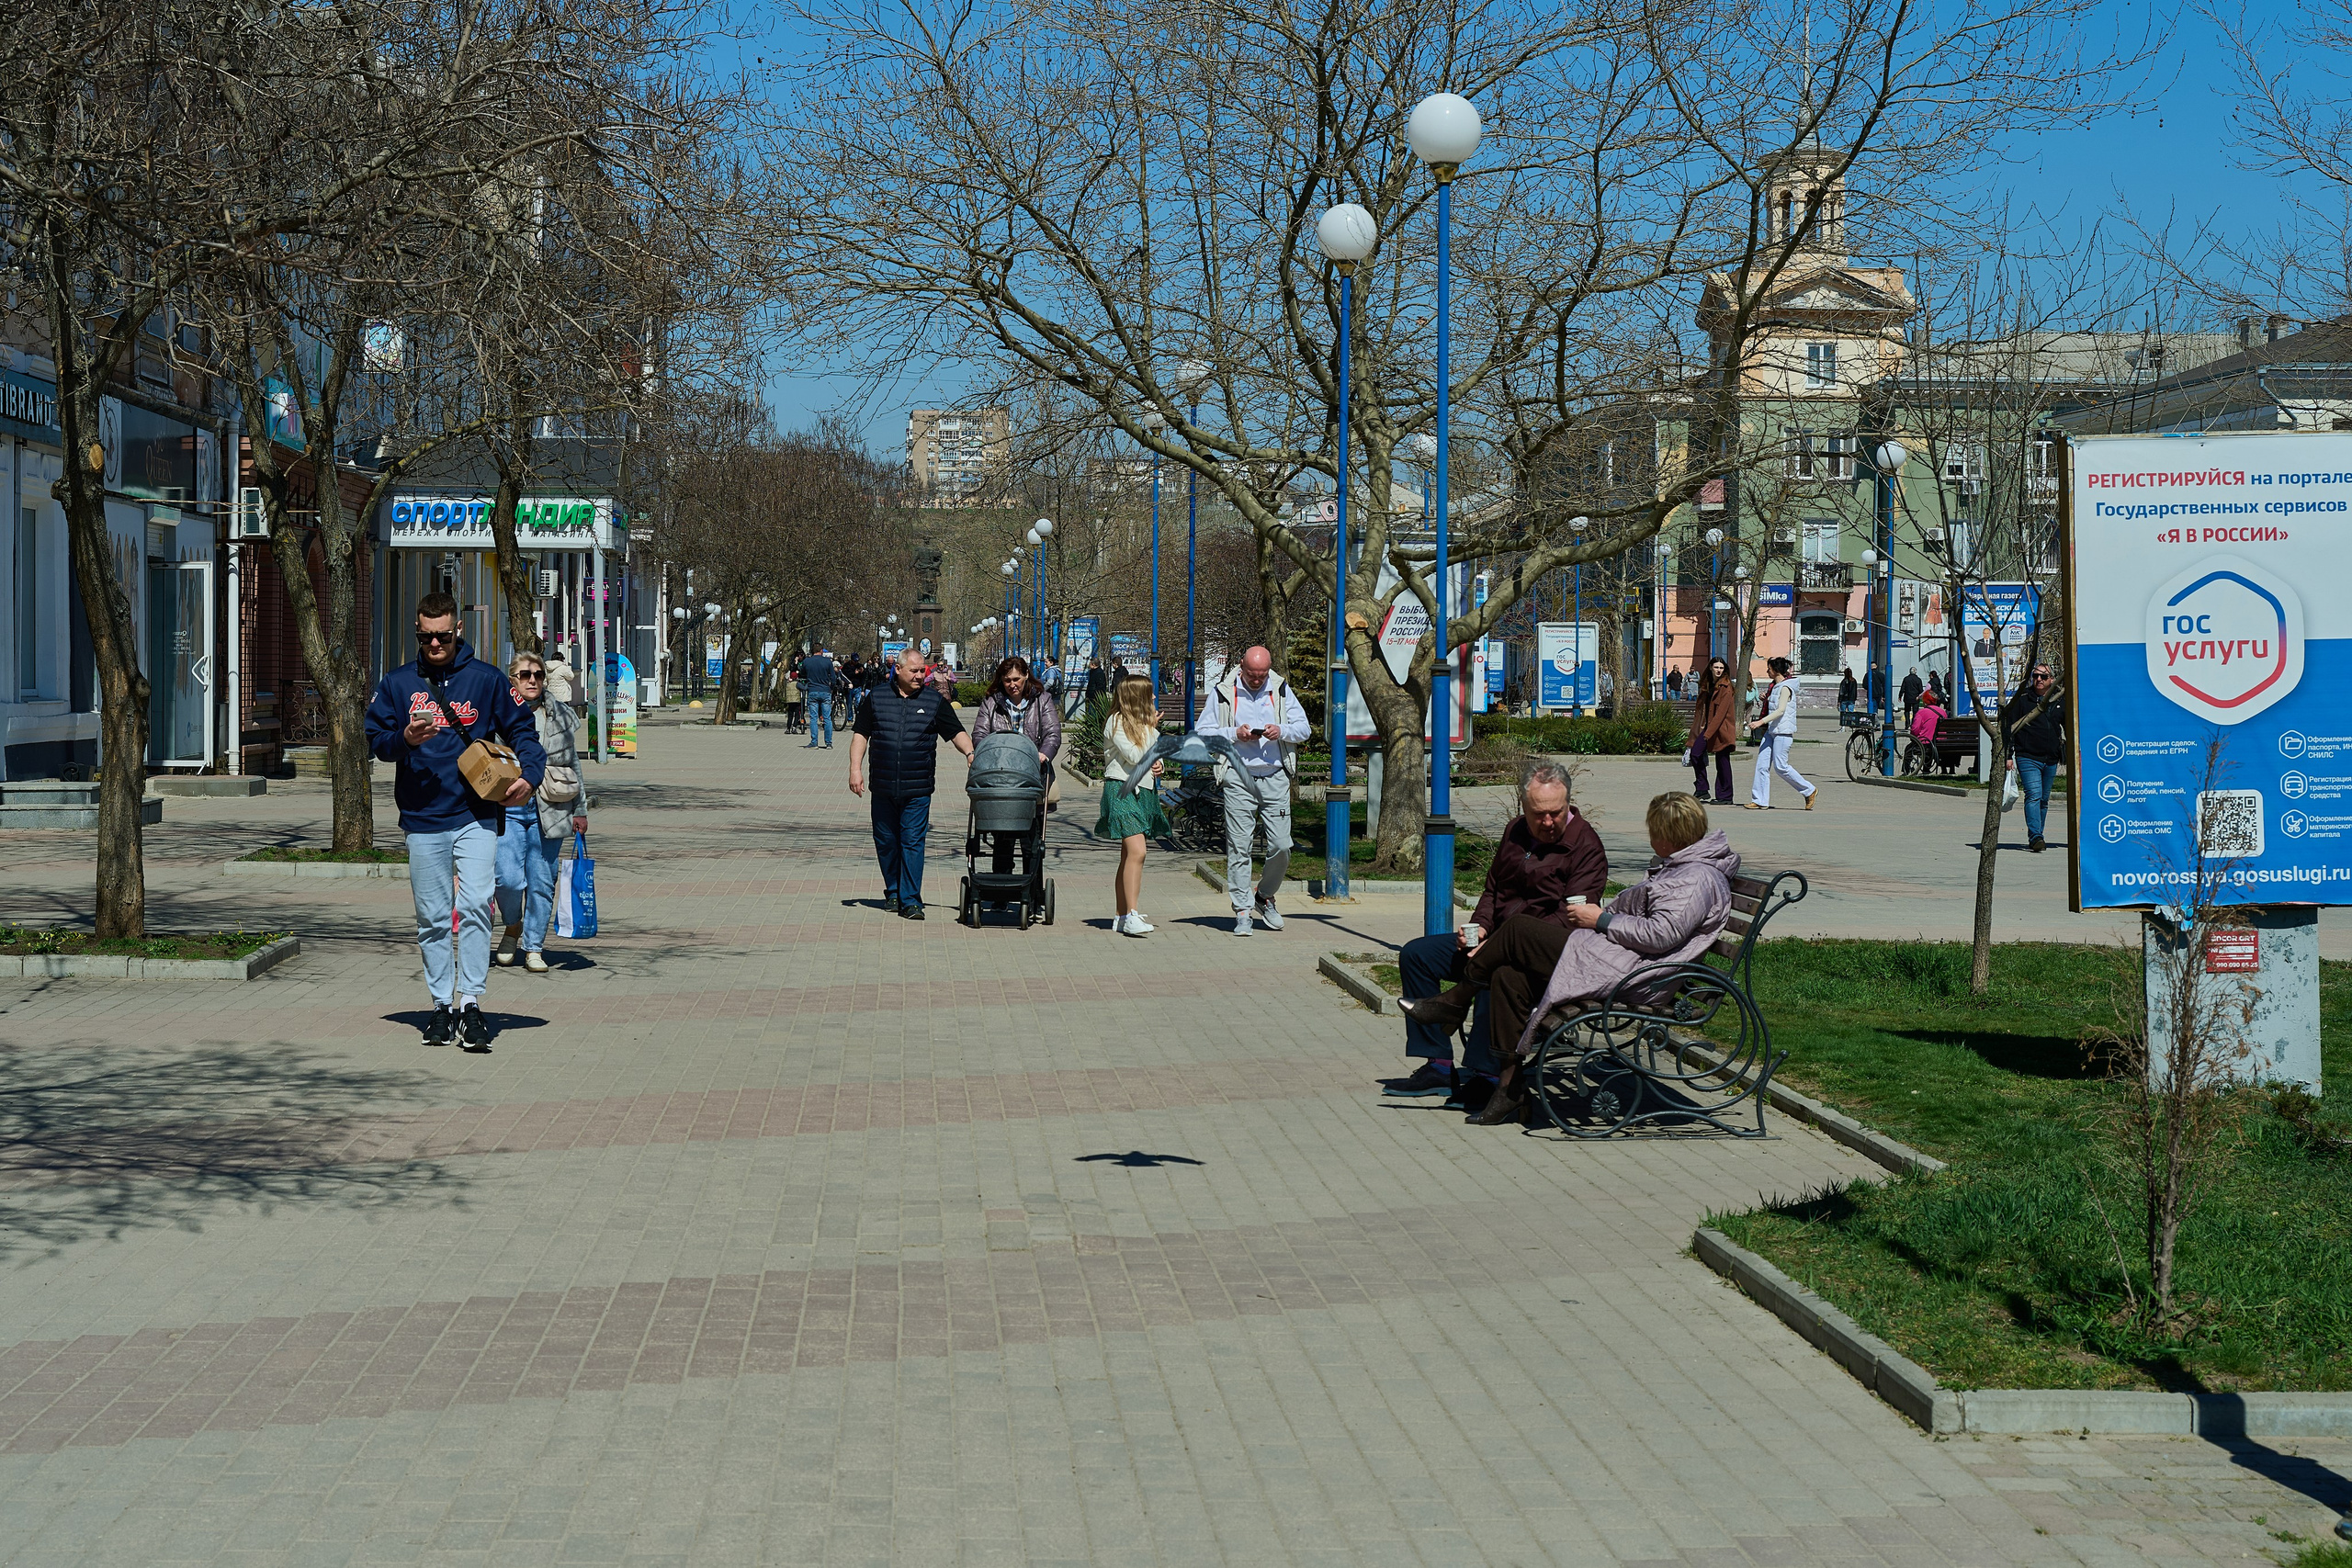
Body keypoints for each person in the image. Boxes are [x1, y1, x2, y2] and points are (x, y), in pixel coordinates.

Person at [1396, 793, 1736, 1126]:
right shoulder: (1681, 869)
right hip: (1614, 958)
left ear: (1665, 836)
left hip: (1632, 975)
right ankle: (1509, 1089)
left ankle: (1455, 1001)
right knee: (1507, 976)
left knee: (1517, 931)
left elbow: (1661, 934)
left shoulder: (1695, 878)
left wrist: (1600, 919)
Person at [363, 591, 547, 1050]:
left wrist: (531, 773)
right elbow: (374, 738)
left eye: (443, 635)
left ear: (458, 630)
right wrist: (403, 738)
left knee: (476, 904)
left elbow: (523, 728)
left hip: (476, 813)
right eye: (426, 637)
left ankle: (471, 1003)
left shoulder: (485, 679)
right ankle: (441, 1006)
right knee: (431, 917)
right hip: (423, 816)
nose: (435, 644)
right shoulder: (399, 683)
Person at [1386, 761, 1608, 1105]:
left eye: (1556, 813)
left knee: (1498, 972)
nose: (1548, 822)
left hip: (1542, 957)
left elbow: (1570, 921)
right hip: (1498, 939)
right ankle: (1439, 1065)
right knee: (1418, 954)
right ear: (1523, 806)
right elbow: (1493, 890)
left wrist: (1499, 946)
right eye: (1539, 814)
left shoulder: (1586, 847)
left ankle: (1486, 1075)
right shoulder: (1515, 831)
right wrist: (1481, 929)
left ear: (1568, 803)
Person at [849, 644, 975, 917]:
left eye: (923, 671)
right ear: (898, 670)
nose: (920, 676)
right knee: (886, 841)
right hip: (882, 785)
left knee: (912, 841)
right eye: (915, 671)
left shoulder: (933, 701)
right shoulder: (877, 697)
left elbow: (956, 732)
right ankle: (893, 892)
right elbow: (861, 734)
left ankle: (911, 900)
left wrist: (971, 752)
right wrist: (855, 769)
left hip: (917, 787)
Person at [1195, 645, 1311, 935]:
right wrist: (1234, 734)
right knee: (1239, 845)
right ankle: (1243, 911)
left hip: (1274, 777)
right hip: (1238, 776)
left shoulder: (1281, 689)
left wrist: (1280, 730)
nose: (1258, 680)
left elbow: (1304, 729)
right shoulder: (1223, 692)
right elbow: (1203, 734)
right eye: (1252, 674)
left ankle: (1264, 896)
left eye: (1262, 675)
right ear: (1241, 666)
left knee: (1282, 845)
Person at [494, 651, 588, 976]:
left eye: (537, 674)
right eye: (524, 675)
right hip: (507, 806)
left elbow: (572, 764)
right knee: (506, 878)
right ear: (512, 680)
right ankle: (512, 926)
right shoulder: (496, 715)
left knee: (541, 883)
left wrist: (581, 809)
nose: (531, 680)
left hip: (553, 807)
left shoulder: (560, 715)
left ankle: (534, 946)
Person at [971, 655, 1063, 897]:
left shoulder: (1041, 700)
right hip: (1001, 775)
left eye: (1016, 679)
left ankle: (1031, 890)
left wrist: (1043, 755)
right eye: (1007, 680)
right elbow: (980, 733)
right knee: (1002, 836)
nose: (1012, 684)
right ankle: (1001, 890)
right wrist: (986, 755)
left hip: (1032, 774)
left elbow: (1053, 732)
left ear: (1025, 677)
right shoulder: (992, 701)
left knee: (1031, 841)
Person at [1096, 674, 1171, 936]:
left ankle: (1121, 914)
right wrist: (1151, 729)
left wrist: (1160, 765)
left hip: (1143, 792)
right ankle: (1131, 915)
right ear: (1136, 697)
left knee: (1129, 855)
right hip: (1121, 791)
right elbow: (1135, 755)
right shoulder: (1116, 722)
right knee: (1138, 852)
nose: (1153, 698)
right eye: (1149, 694)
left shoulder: (1140, 725)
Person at [2002, 661, 2067, 853]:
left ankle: (2038, 833)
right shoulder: (2023, 699)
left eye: (2043, 677)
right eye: (2036, 676)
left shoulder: (2058, 699)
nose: (2038, 679)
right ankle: (2035, 836)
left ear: (2052, 680)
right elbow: (2009, 728)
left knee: (2044, 799)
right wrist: (2009, 755)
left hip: (2051, 758)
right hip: (2027, 755)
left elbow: (2069, 727)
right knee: (2034, 795)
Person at [1747, 655, 1816, 809]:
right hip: (1772, 732)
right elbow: (1775, 704)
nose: (1767, 671)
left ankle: (1809, 790)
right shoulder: (1775, 687)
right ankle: (1760, 800)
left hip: (1783, 733)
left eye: (1769, 669)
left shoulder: (1786, 687)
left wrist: (1760, 722)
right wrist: (1766, 698)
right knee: (1762, 765)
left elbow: (1781, 710)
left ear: (1776, 671)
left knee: (1781, 767)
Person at [1690, 656, 1736, 805]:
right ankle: (1702, 788)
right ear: (1710, 668)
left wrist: (1707, 734)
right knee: (1695, 753)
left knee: (1722, 761)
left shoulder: (1726, 687)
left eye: (1721, 668)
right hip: (1709, 726)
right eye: (1716, 667)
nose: (1719, 670)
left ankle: (1726, 796)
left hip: (1722, 729)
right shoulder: (1708, 684)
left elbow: (1721, 714)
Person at [801, 648, 837, 749]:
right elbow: (833, 678)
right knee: (827, 718)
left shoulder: (807, 661)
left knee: (813, 718)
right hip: (825, 691)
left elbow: (802, 673)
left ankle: (814, 742)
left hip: (812, 690)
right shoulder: (827, 662)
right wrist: (831, 688)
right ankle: (828, 743)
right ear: (821, 651)